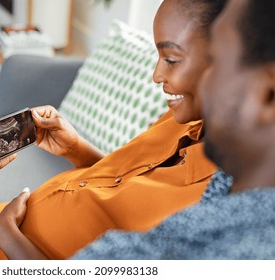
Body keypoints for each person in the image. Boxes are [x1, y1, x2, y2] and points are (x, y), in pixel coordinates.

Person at [0, 0, 226, 260]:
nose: (156, 75)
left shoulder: (219, 209)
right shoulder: (186, 118)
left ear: (231, 60)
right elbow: (132, 189)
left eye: (171, 59)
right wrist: (77, 149)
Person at [72, 0, 275, 259]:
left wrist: (13, 241)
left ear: (267, 92)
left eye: (217, 62)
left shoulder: (196, 247)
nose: (204, 85)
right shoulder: (227, 180)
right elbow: (122, 182)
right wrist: (76, 149)